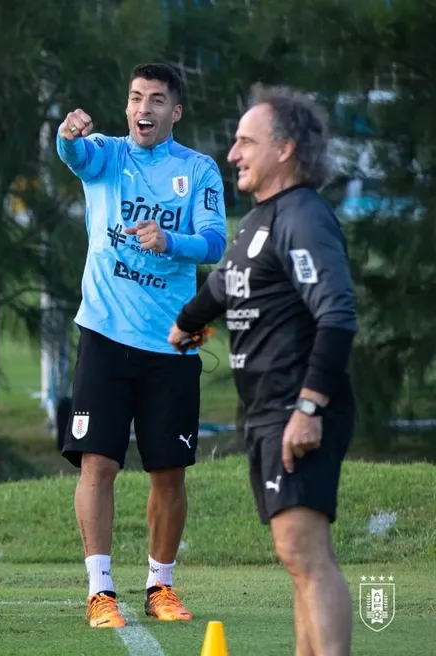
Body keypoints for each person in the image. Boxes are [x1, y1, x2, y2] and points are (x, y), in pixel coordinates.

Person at [170, 84, 356, 656]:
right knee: (294, 554)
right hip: (265, 412)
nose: (233, 153)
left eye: (246, 141)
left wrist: (309, 407)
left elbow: (338, 315)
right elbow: (223, 287)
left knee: (305, 553)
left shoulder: (303, 216)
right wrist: (186, 323)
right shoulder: (257, 222)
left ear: (287, 149)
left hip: (296, 408)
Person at [56, 62, 228, 629]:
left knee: (169, 471)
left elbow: (215, 242)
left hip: (176, 340)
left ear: (175, 111)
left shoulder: (199, 170)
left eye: (156, 100)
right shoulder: (107, 153)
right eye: (135, 98)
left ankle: (160, 585)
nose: (143, 109)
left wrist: (168, 240)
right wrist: (67, 134)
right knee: (98, 462)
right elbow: (75, 157)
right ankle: (99, 591)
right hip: (104, 333)